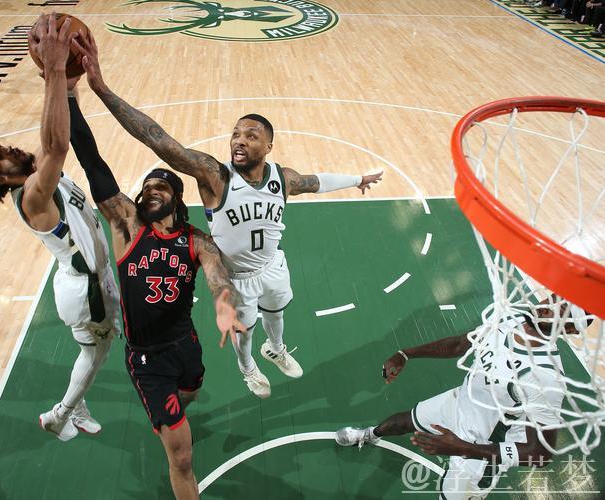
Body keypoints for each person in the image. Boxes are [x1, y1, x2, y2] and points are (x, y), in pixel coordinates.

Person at [72, 31, 383, 399]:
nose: (239, 140)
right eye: (236, 134)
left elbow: (316, 182)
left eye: (251, 135)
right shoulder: (215, 176)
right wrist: (101, 89)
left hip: (272, 265)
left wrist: (357, 179)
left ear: (268, 146)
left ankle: (276, 349)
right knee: (243, 331)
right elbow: (157, 138)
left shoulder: (281, 178)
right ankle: (248, 367)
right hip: (236, 275)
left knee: (277, 312)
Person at [69, 70, 245, 500]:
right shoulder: (128, 226)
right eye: (146, 186)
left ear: (176, 198)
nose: (150, 191)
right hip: (147, 359)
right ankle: (170, 427)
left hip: (185, 345)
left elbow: (218, 276)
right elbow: (92, 161)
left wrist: (225, 305)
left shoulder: (195, 240)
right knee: (181, 457)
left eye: (160, 186)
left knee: (192, 390)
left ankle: (171, 416)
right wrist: (69, 94)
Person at [0, 16, 120, 442]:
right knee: (96, 355)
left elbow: (54, 135)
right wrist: (55, 70)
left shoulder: (32, 172)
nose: (7, 147)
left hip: (90, 278)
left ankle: (77, 405)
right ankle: (60, 415)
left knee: (95, 350)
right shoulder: (31, 196)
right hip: (85, 288)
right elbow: (58, 144)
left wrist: (66, 84)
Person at [335, 305, 593, 500]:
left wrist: (464, 448)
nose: (547, 306)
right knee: (404, 420)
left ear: (571, 329)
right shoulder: (510, 318)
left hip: (481, 447)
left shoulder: (545, 377)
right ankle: (368, 435)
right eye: (552, 298)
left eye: (561, 310)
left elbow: (540, 454)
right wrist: (407, 354)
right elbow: (461, 344)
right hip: (460, 402)